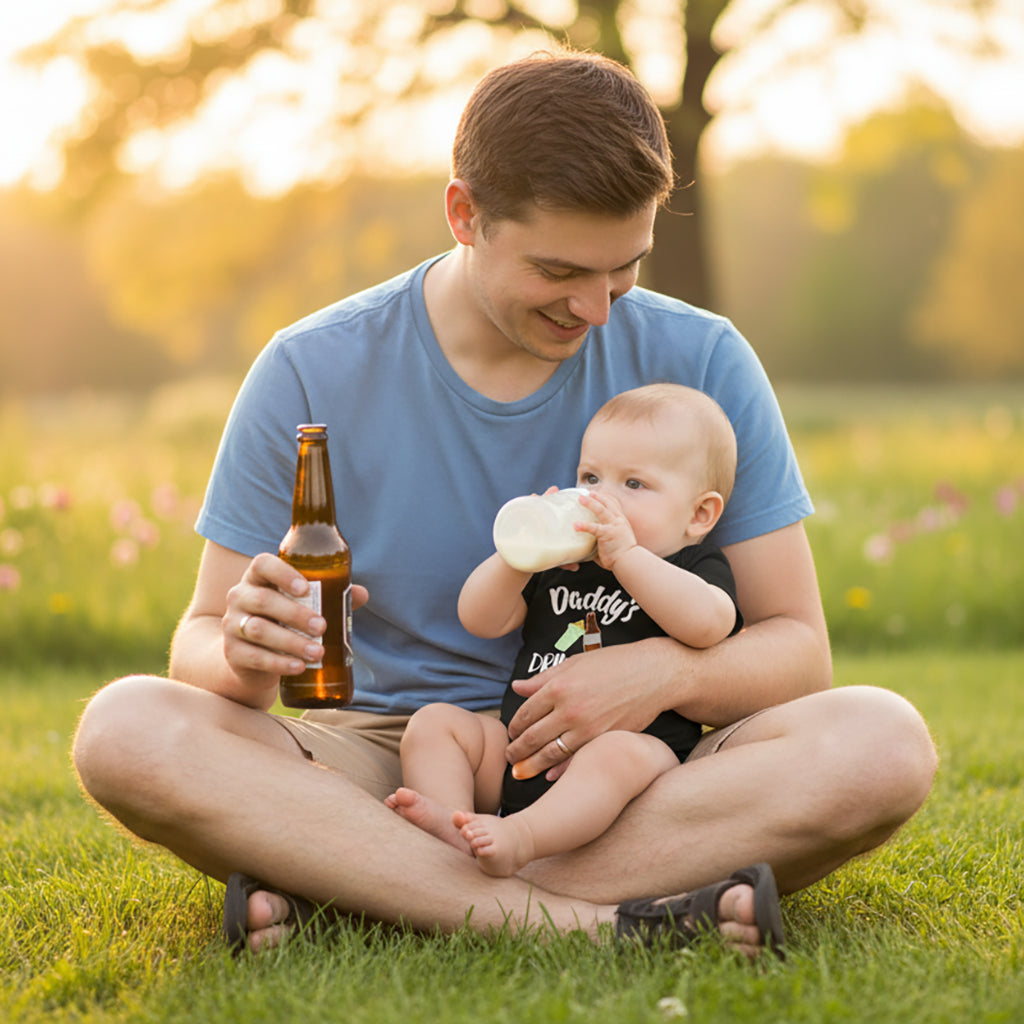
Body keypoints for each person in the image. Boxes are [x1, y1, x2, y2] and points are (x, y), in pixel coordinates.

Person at [71, 48, 936, 959]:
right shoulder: (309, 368)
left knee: (881, 744)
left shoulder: (707, 360)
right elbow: (199, 641)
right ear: (464, 216)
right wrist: (244, 650)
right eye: (560, 271)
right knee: (127, 730)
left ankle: (358, 880)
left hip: (626, 770)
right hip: (379, 761)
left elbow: (798, 651)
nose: (599, 311)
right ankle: (594, 922)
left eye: (625, 270)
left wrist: (666, 678)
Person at [386, 383, 744, 878]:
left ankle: (524, 837)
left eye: (633, 485)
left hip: (624, 768)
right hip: (520, 750)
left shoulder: (686, 565)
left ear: (698, 514)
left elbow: (710, 625)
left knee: (620, 754)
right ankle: (454, 825)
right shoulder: (560, 566)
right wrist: (519, 554)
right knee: (435, 724)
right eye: (590, 477)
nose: (599, 499)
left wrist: (628, 559)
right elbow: (480, 617)